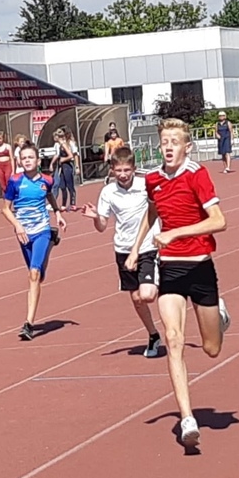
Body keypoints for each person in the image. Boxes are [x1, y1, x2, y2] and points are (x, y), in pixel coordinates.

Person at [125, 118, 230, 450]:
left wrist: (177, 233)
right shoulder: (153, 179)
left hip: (200, 267)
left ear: (187, 146)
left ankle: (220, 314)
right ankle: (187, 419)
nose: (168, 146)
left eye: (175, 141)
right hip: (170, 269)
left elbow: (219, 221)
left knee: (212, 349)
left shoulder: (196, 175)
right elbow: (152, 214)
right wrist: (135, 248)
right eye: (164, 141)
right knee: (173, 339)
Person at [80, 146, 162, 357]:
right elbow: (102, 226)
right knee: (136, 298)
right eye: (119, 171)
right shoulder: (108, 192)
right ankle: (153, 335)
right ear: (112, 170)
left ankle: (172, 292)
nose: (123, 175)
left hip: (147, 245)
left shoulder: (145, 186)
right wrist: (95, 217)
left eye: (127, 170)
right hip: (123, 249)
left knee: (148, 294)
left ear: (134, 168)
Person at [3, 143, 66, 341]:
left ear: (38, 161)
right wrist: (18, 226)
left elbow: (48, 194)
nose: (28, 160)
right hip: (23, 234)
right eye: (24, 158)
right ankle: (49, 246)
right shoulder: (14, 181)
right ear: (20, 161)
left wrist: (57, 213)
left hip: (41, 230)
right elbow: (5, 208)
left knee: (33, 274)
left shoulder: (46, 180)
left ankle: (28, 323)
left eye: (31, 157)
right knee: (38, 275)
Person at [51, 128, 78, 211]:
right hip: (61, 167)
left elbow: (71, 155)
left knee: (70, 185)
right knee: (62, 186)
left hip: (67, 166)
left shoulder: (64, 144)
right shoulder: (58, 145)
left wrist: (63, 159)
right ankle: (63, 204)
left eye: (58, 136)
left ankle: (73, 203)